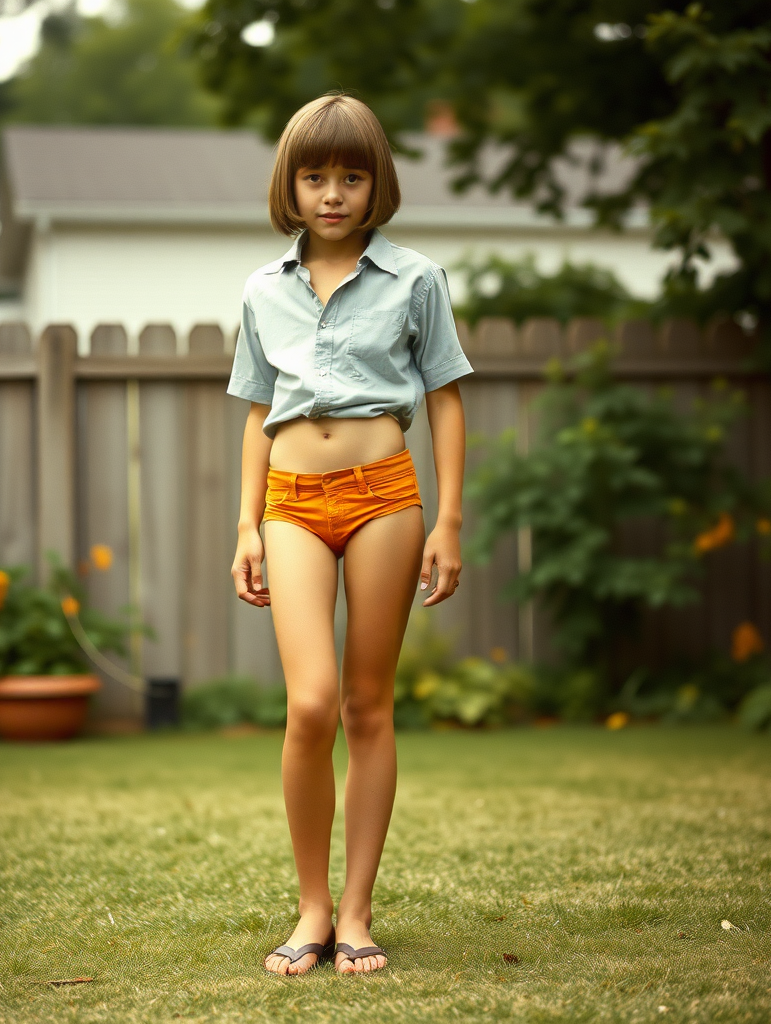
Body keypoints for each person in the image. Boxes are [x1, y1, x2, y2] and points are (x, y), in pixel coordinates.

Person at [227, 91, 474, 977]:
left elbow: (444, 397)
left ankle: (359, 913)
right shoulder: (263, 289)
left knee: (369, 704)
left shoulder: (416, 280)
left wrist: (447, 517)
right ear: (290, 185)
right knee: (309, 703)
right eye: (315, 175)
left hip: (385, 500)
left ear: (378, 185)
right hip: (290, 503)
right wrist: (246, 525)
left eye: (352, 175)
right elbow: (258, 411)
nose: (332, 192)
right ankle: (311, 908)